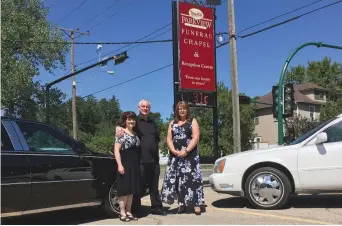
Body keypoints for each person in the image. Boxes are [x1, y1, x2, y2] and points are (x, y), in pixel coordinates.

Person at [116, 99, 167, 216]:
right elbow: (123, 126)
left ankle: (156, 207)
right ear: (139, 108)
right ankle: (135, 209)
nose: (145, 108)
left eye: (147, 107)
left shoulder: (153, 123)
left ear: (149, 108)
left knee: (154, 186)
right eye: (143, 106)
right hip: (140, 160)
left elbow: (156, 139)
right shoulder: (135, 121)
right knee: (138, 186)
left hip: (154, 160)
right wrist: (117, 128)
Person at [161, 101, 205, 215]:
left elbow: (196, 137)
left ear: (187, 110)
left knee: (192, 180)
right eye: (180, 109)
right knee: (178, 181)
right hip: (175, 156)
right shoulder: (172, 123)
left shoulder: (192, 121)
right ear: (177, 110)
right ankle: (181, 204)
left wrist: (186, 151)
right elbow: (169, 139)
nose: (182, 110)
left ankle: (196, 204)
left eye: (184, 108)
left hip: (190, 156)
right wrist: (173, 150)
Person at [114, 111, 141, 222]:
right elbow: (116, 150)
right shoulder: (121, 132)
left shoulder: (135, 133)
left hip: (134, 165)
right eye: (129, 119)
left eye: (133, 119)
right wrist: (120, 165)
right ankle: (122, 213)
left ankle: (129, 211)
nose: (132, 121)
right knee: (124, 190)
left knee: (131, 191)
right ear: (125, 120)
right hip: (125, 163)